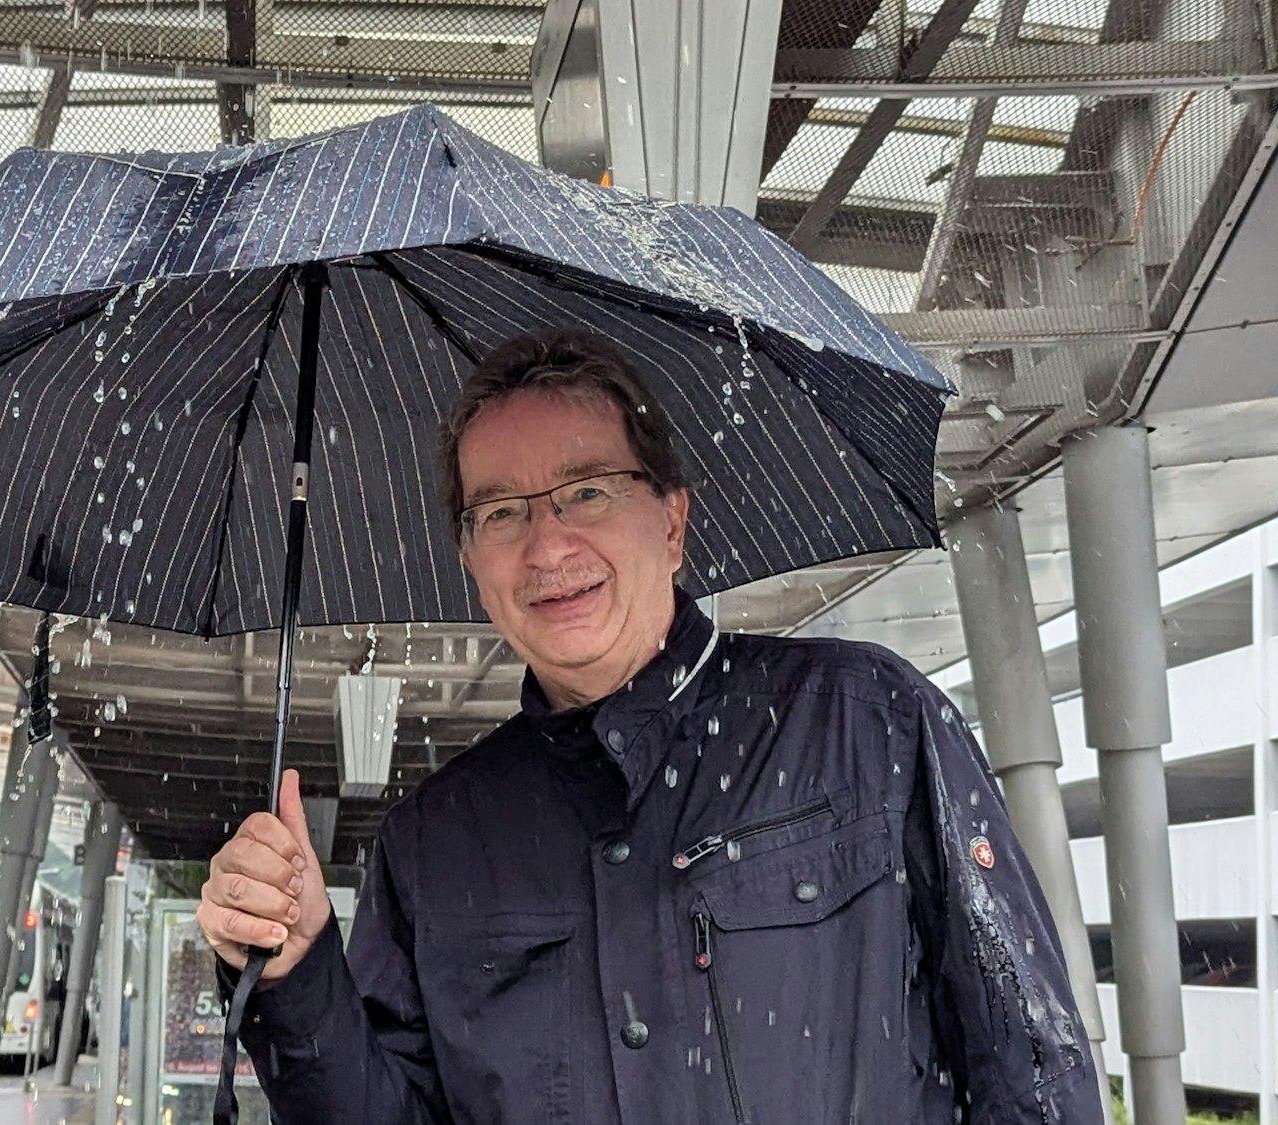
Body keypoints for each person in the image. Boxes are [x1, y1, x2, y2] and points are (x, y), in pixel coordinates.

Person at [196, 329, 1101, 1124]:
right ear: (471, 558)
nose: (547, 547)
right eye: (502, 511)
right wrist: (297, 969)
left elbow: (1031, 1065)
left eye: (587, 491)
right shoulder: (432, 843)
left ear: (672, 520)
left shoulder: (869, 724)